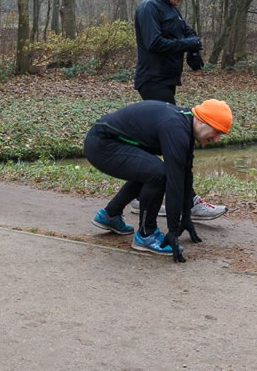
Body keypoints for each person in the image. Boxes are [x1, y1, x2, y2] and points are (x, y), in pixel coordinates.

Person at [85, 99, 232, 262]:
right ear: (203, 121)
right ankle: (146, 234)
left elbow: (184, 174)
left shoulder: (185, 125)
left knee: (150, 169)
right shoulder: (176, 128)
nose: (217, 139)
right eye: (217, 131)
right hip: (102, 145)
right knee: (157, 173)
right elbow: (173, 184)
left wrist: (186, 217)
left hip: (108, 141)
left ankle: (110, 215)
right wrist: (173, 231)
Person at [131, 0, 226, 220]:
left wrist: (193, 51)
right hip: (152, 81)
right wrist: (188, 45)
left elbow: (189, 33)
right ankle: (190, 203)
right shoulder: (149, 7)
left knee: (155, 143)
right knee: (180, 140)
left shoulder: (171, 8)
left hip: (166, 82)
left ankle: (140, 198)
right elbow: (154, 43)